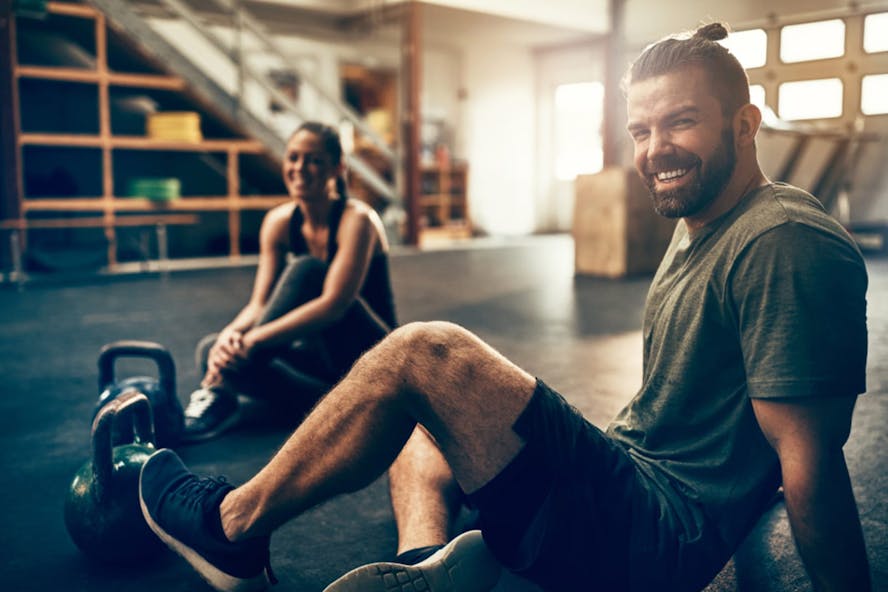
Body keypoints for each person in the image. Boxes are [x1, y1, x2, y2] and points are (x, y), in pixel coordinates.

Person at [139, 22, 872, 592]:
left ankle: (231, 526)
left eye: (680, 123)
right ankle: (424, 566)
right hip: (628, 477)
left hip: (651, 535)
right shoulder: (703, 225)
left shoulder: (783, 240)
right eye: (641, 131)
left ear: (744, 125)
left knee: (426, 354)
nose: (655, 150)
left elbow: (810, 459)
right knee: (419, 419)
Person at [182, 121, 397, 442]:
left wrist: (251, 342)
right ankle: (330, 406)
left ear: (337, 168)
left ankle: (220, 388)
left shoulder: (358, 220)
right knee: (212, 349)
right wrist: (232, 336)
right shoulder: (279, 222)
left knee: (308, 271)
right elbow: (259, 304)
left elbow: (333, 305)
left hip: (377, 361)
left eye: (314, 160)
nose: (301, 168)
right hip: (325, 372)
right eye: (293, 158)